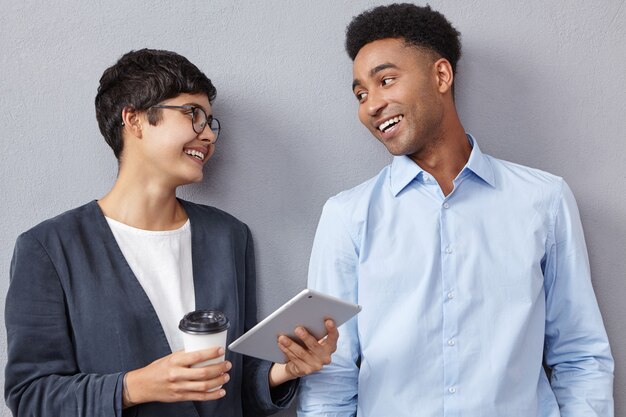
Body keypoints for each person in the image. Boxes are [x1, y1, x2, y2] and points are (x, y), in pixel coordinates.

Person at [297, 4, 614, 416]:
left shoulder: (544, 200)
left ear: (441, 76)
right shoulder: (346, 216)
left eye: (386, 80)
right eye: (360, 94)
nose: (371, 105)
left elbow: (580, 356)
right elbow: (330, 375)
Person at [5, 49, 338, 417]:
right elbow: (29, 396)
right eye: (193, 115)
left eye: (211, 122)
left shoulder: (229, 236)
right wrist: (134, 387)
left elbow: (235, 382)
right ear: (134, 120)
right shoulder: (50, 248)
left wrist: (283, 370)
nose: (209, 135)